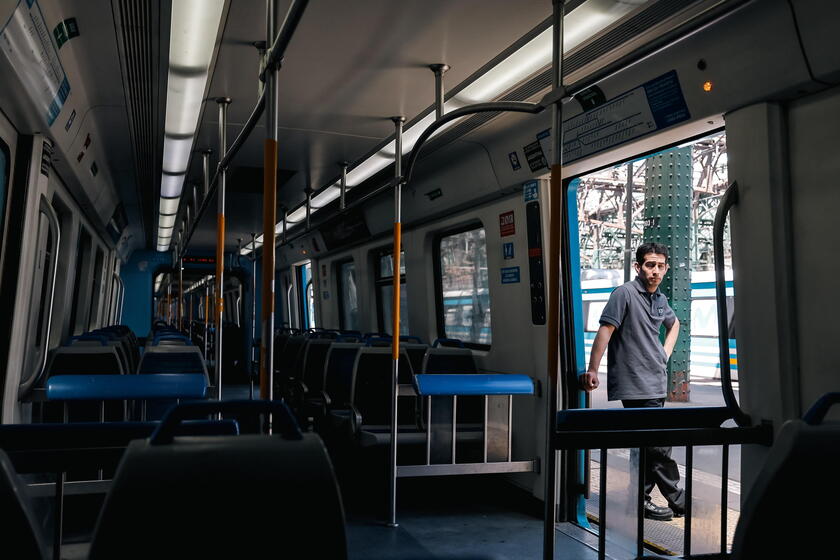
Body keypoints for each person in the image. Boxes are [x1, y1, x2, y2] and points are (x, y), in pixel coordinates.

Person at [580, 242, 684, 521]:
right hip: (634, 381)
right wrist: (593, 369)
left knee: (647, 444)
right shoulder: (624, 294)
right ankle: (677, 499)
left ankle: (639, 500)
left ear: (666, 269)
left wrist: (664, 354)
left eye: (661, 266)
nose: (656, 271)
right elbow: (606, 331)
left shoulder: (661, 299)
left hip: (655, 379)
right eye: (650, 265)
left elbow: (674, 325)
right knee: (658, 443)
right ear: (639, 267)